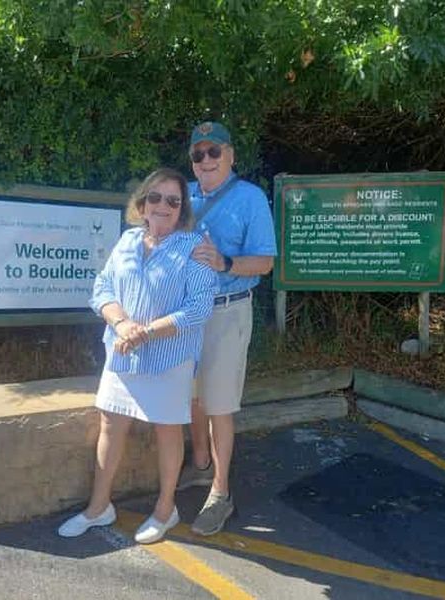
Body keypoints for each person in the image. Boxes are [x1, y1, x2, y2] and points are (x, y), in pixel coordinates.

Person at [57, 168, 217, 544]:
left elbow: (198, 309)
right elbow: (102, 288)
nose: (164, 206)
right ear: (142, 204)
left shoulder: (194, 247)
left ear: (182, 209)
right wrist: (123, 323)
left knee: (167, 431)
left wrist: (145, 332)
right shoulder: (127, 240)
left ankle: (165, 509)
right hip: (122, 353)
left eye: (173, 201)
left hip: (169, 359)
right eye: (156, 198)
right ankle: (99, 508)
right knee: (110, 425)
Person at [181, 122, 276, 536]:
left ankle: (221, 492)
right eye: (198, 154)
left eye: (213, 152)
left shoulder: (250, 198)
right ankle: (200, 465)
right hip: (185, 313)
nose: (206, 161)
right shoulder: (181, 194)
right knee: (190, 395)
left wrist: (224, 263)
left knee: (219, 404)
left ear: (231, 155)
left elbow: (266, 262)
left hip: (226, 310)